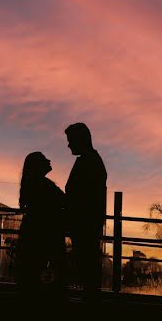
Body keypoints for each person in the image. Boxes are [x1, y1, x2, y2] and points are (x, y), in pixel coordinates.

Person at [64, 123, 107, 300]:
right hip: (87, 222)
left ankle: (91, 300)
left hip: (84, 224)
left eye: (70, 141)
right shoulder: (92, 160)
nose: (68, 145)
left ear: (79, 140)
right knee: (87, 263)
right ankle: (91, 299)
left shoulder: (87, 162)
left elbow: (77, 193)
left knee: (86, 263)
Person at [16, 151, 66, 294]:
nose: (49, 161)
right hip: (46, 236)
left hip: (33, 234)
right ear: (37, 166)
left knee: (32, 275)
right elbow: (63, 201)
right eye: (44, 160)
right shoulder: (43, 185)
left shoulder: (32, 184)